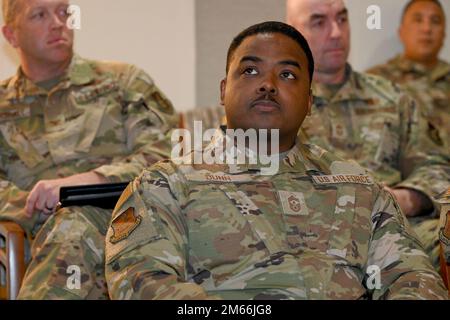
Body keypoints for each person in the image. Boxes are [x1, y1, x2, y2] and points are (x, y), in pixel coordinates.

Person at [104, 21, 447, 300]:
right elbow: (142, 280)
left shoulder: (359, 187)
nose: (267, 85)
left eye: (287, 75)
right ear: (223, 90)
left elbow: (413, 276)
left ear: (309, 101)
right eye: (250, 71)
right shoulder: (165, 186)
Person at [0, 0, 178, 299]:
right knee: (69, 223)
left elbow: (165, 157)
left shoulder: (123, 82)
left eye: (64, 12)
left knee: (73, 222)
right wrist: (35, 204)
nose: (58, 23)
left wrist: (89, 182)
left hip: (127, 220)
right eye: (40, 15)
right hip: (37, 235)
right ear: (11, 35)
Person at [286, 0, 450, 270]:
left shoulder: (392, 98)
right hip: (313, 238)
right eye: (319, 22)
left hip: (399, 230)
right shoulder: (276, 104)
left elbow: (435, 165)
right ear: (293, 31)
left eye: (342, 19)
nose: (337, 32)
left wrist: (406, 198)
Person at [368, 0, 449, 154]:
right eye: (418, 20)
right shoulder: (375, 81)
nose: (426, 29)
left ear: (444, 33)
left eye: (435, 21)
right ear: (401, 31)